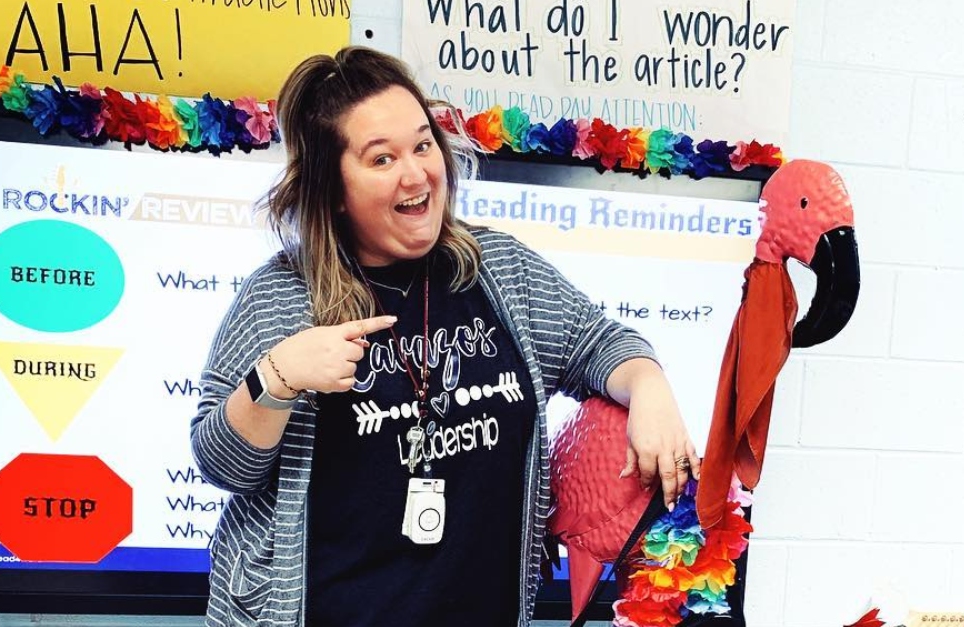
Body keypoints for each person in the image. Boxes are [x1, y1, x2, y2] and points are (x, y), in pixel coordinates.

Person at [190, 46, 701, 627]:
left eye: (422, 144)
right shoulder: (280, 297)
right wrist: (276, 378)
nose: (416, 174)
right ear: (332, 187)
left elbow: (596, 343)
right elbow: (222, 466)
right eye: (381, 159)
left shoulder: (501, 269)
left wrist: (650, 386)